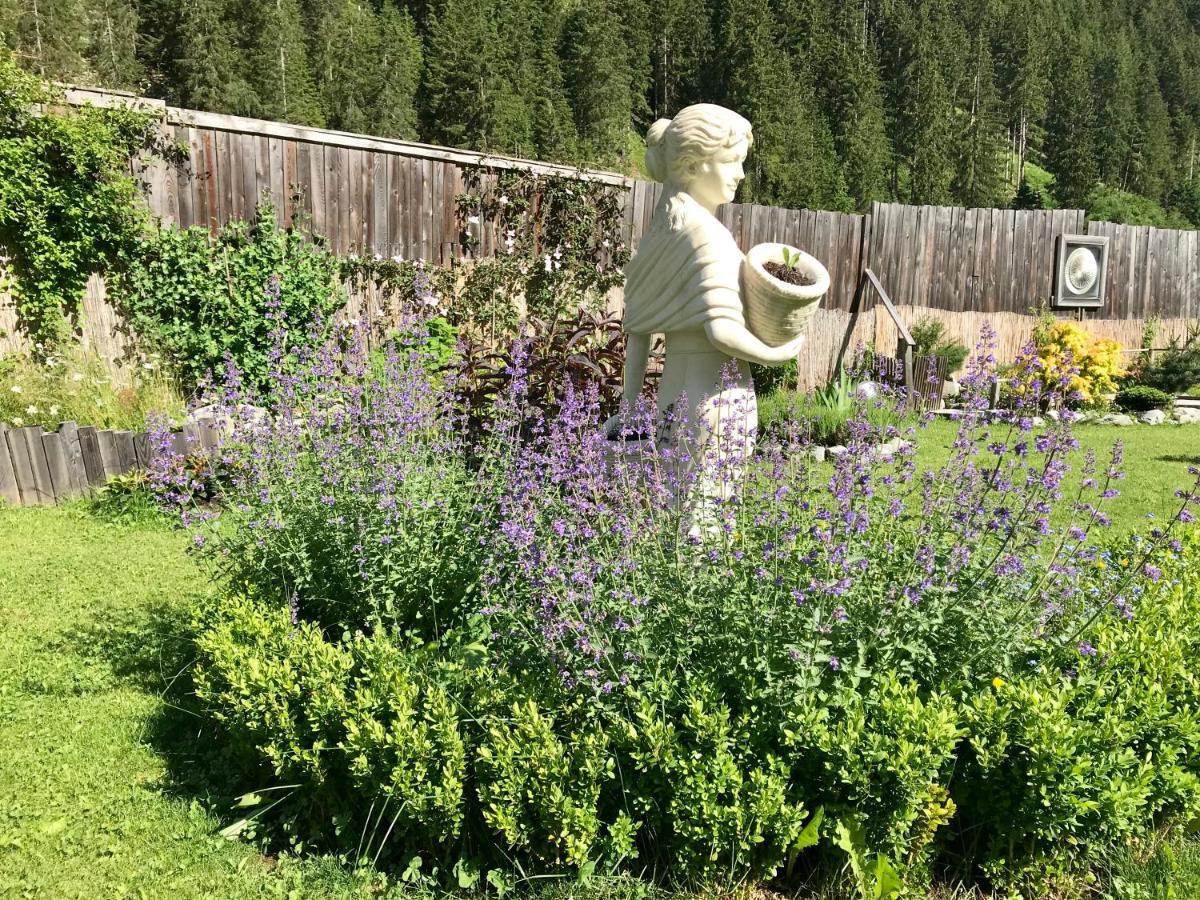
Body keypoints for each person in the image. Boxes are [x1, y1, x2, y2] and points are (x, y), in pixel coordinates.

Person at [607, 104, 805, 533]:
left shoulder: (663, 231)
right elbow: (722, 331)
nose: (740, 174)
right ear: (695, 164)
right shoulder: (707, 235)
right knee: (708, 521)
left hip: (672, 393)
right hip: (717, 395)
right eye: (733, 161)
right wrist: (780, 352)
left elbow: (638, 332)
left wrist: (629, 409)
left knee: (678, 512)